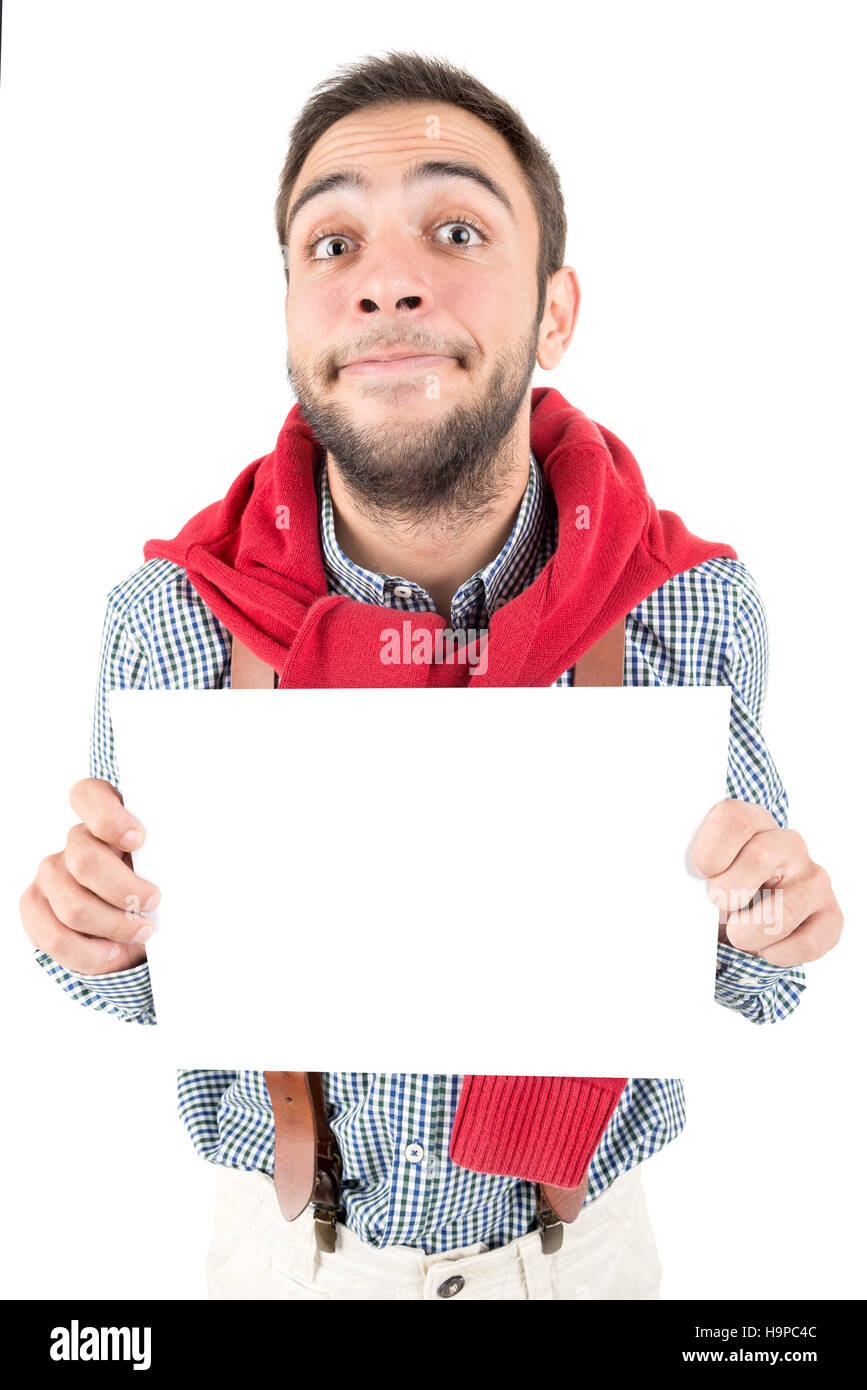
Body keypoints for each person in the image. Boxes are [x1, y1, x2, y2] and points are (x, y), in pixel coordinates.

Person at [19, 51, 843, 1301]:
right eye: (332, 246)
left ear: (555, 312)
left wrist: (771, 919)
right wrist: (97, 940)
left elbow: (737, 969)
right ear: (292, 311)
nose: (386, 282)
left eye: (454, 229)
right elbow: (151, 984)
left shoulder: (687, 606)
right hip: (287, 1261)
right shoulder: (173, 622)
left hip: (582, 1260)